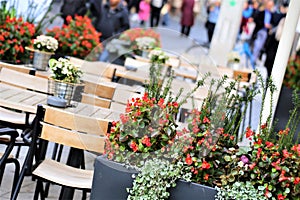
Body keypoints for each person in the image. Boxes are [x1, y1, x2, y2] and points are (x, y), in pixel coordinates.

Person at [264, 2, 288, 76]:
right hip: (274, 41)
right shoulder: (279, 15)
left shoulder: (282, 16)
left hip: (277, 42)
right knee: (270, 60)